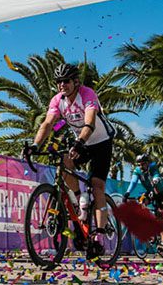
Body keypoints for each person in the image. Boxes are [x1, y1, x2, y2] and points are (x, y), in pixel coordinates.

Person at [25, 63, 115, 244]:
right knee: (65, 161)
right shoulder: (58, 100)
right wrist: (35, 145)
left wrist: (79, 142)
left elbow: (89, 123)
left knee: (97, 185)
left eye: (66, 81)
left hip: (100, 142)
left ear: (75, 82)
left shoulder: (87, 94)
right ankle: (78, 199)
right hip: (81, 142)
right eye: (58, 82)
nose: (62, 85)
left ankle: (99, 234)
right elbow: (48, 124)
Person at [123, 153, 163, 252]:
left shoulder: (152, 167)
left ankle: (162, 243)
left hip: (160, 192)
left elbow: (156, 173)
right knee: (141, 205)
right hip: (150, 191)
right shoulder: (138, 170)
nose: (140, 166)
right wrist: (127, 192)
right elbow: (134, 181)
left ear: (147, 163)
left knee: (160, 215)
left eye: (142, 164)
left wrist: (156, 178)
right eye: (138, 164)